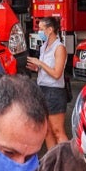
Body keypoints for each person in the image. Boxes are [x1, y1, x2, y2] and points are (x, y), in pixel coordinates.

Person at [26, 16, 69, 150]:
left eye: (41, 29)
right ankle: (53, 163)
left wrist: (40, 63)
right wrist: (37, 68)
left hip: (54, 92)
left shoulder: (59, 48)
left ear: (50, 30)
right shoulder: (44, 46)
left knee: (58, 131)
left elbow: (57, 73)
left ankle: (67, 162)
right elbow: (46, 69)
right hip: (42, 89)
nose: (39, 31)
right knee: (47, 132)